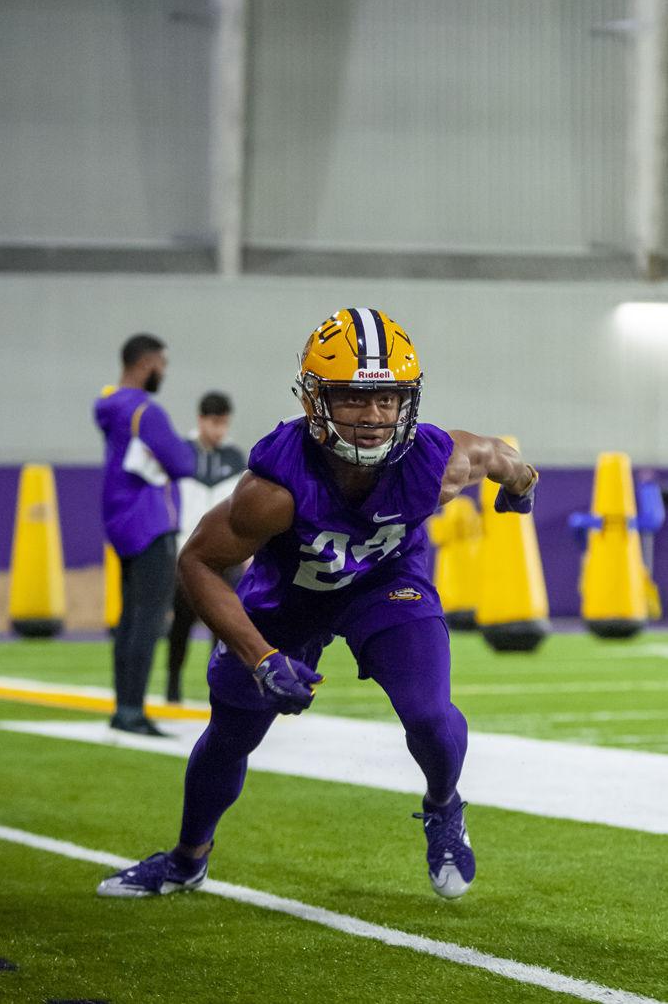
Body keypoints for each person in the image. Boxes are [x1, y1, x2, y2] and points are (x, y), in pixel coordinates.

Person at [97, 308, 538, 899]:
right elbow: (197, 563)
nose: (375, 416)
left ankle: (444, 805)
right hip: (289, 598)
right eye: (354, 398)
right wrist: (259, 656)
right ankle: (186, 858)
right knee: (230, 735)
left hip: (386, 586)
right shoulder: (273, 489)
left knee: (430, 713)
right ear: (315, 400)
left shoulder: (438, 463)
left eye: (388, 398)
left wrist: (521, 491)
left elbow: (509, 463)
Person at [94, 333, 213, 737]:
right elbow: (182, 463)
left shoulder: (110, 407)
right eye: (161, 365)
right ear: (146, 364)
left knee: (129, 619)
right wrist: (184, 448)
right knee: (149, 619)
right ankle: (132, 712)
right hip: (151, 522)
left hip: (119, 520)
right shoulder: (147, 411)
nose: (163, 373)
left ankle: (122, 706)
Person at [166, 391, 246, 703]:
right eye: (214, 423)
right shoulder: (181, 453)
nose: (220, 431)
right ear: (201, 420)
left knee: (224, 623)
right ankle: (172, 684)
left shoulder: (234, 458)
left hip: (225, 554)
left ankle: (219, 688)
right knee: (182, 622)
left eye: (224, 424)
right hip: (185, 552)